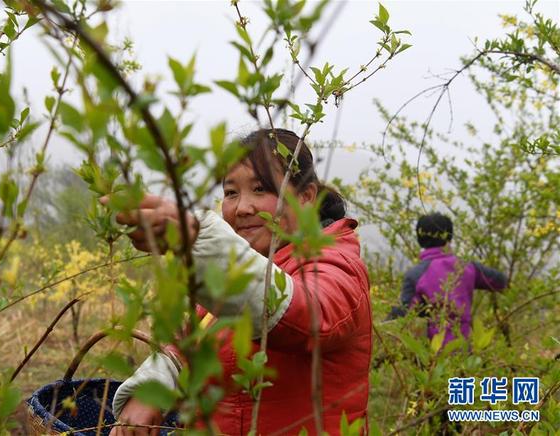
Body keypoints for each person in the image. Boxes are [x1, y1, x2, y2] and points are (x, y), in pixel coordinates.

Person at [107, 129, 371, 435]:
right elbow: (192, 339)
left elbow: (310, 314)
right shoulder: (247, 266)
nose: (242, 207)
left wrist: (201, 239)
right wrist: (150, 390)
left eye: (260, 189)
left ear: (306, 197)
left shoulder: (337, 265)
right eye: (231, 193)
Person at [388, 213, 507, 347]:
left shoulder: (416, 274)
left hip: (434, 353)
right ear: (449, 236)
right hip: (466, 350)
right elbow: (501, 282)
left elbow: (402, 313)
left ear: (419, 238)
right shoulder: (467, 267)